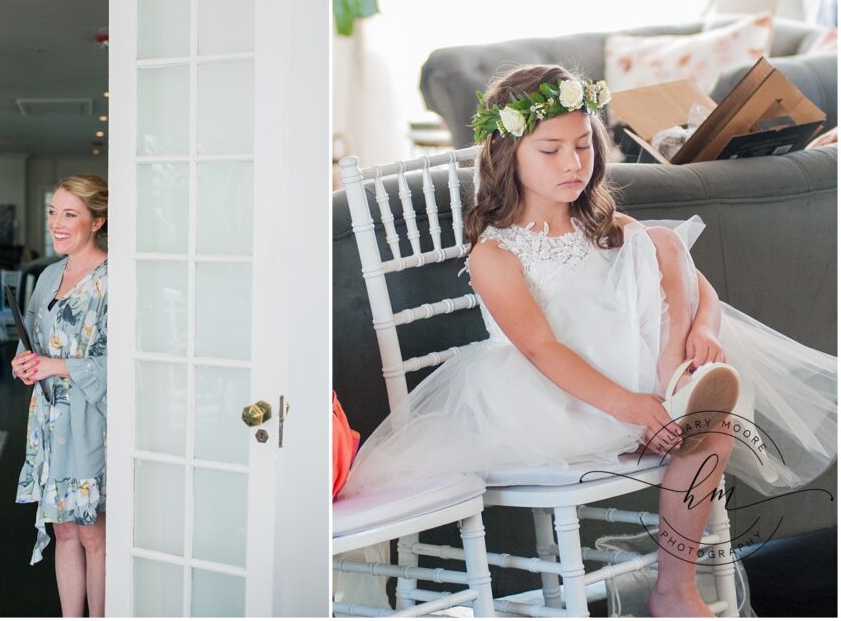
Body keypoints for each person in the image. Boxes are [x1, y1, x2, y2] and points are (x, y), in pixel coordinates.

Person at [342, 65, 837, 617]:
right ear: (510, 155)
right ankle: (672, 395)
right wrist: (630, 405)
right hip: (558, 396)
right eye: (551, 150)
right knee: (664, 250)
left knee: (669, 256)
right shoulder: (496, 254)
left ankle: (674, 584)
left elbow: (701, 292)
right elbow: (541, 350)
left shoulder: (605, 224)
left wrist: (703, 329)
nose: (574, 163)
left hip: (638, 371)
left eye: (583, 146)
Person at [11, 174, 108, 617]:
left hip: (93, 424)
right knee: (64, 531)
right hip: (49, 422)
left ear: (98, 221)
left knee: (93, 536)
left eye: (70, 214)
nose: (57, 222)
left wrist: (58, 365)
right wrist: (23, 362)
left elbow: (125, 364)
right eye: (53, 212)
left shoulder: (115, 280)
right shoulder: (49, 275)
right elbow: (31, 338)